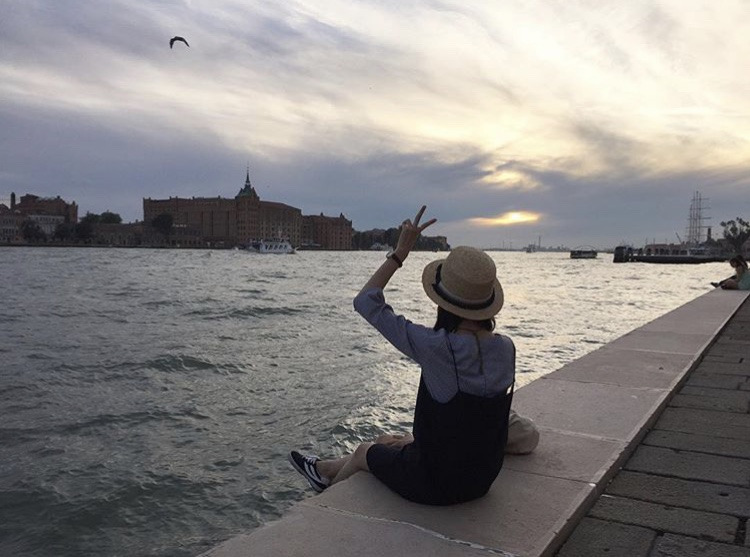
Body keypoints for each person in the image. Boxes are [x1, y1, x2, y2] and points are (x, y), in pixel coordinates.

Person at [289, 206, 537, 505]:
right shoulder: (506, 347)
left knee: (364, 452)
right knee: (387, 441)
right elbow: (471, 421)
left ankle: (325, 499)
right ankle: (323, 469)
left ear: (443, 300)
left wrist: (400, 253)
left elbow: (366, 302)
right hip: (482, 478)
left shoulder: (437, 347)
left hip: (437, 484)